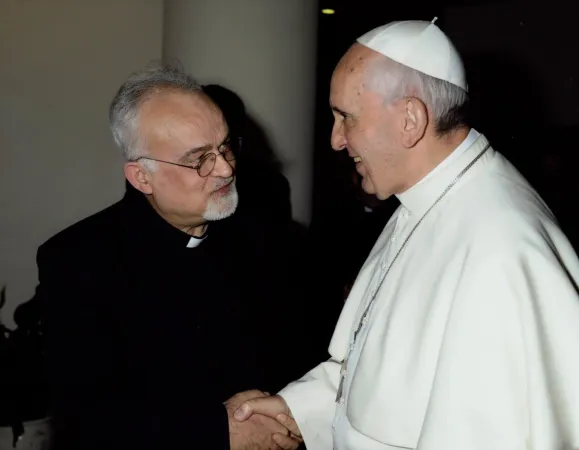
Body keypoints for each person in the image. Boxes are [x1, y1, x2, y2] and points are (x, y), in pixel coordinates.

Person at [233, 19, 579, 450]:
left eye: (346, 117)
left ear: (410, 120)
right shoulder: (424, 199)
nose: (336, 140)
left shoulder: (499, 250)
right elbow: (376, 371)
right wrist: (296, 410)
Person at [36, 62, 315, 450]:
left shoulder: (271, 239)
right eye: (198, 158)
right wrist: (221, 431)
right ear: (141, 177)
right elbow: (86, 416)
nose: (224, 169)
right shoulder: (78, 260)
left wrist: (291, 409)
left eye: (225, 146)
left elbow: (306, 354)